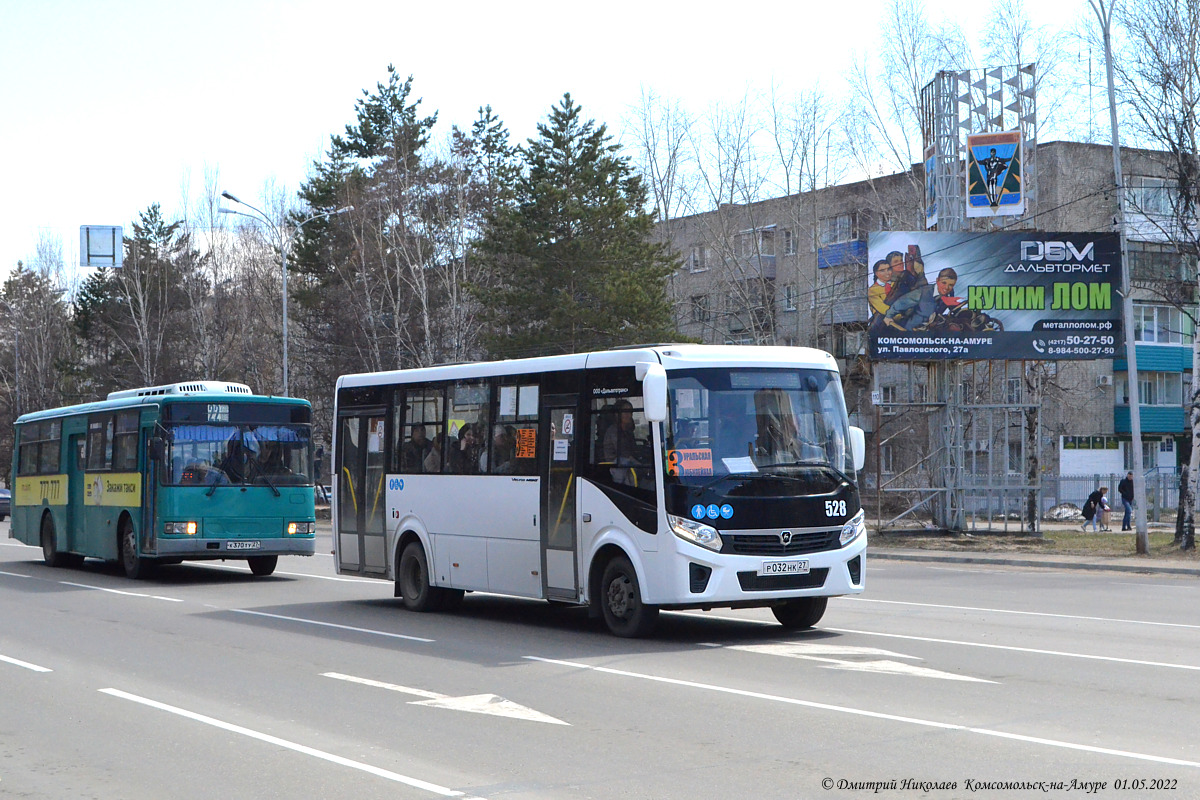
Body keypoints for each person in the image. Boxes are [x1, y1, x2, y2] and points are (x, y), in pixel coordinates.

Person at [884, 267, 965, 331]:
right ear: (937, 281)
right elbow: (901, 303)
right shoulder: (922, 292)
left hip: (930, 332)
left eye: (951, 285)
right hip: (912, 331)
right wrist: (888, 316)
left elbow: (953, 309)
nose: (947, 287)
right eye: (944, 283)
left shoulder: (949, 293)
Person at [603, 399, 640, 485]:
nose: (629, 415)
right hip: (615, 465)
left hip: (627, 463)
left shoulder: (628, 431)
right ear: (617, 415)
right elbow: (622, 452)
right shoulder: (613, 431)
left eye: (630, 412)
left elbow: (633, 449)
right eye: (625, 412)